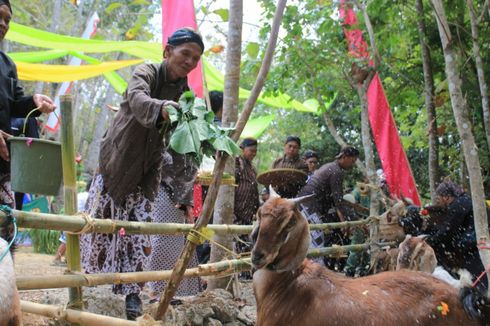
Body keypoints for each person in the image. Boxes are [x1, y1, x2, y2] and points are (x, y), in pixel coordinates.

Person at [80, 27, 204, 320]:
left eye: (195, 58)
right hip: (117, 161)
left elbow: (183, 145)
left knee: (137, 233)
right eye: (185, 53)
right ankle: (93, 286)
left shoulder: (187, 96)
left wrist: (185, 190)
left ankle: (132, 293)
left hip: (148, 170)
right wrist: (160, 107)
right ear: (167, 52)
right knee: (101, 227)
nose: (189, 61)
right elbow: (137, 98)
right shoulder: (146, 72)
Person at [0, 0, 56, 207]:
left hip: (2, 162)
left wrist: (34, 102)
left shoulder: (7, 65)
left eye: (7, 20)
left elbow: (15, 105)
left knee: (6, 226)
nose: (4, 24)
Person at [146, 149, 201, 300]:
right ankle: (158, 290)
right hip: (163, 188)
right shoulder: (167, 141)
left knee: (176, 241)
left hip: (180, 192)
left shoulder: (191, 150)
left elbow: (188, 169)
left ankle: (173, 291)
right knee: (162, 239)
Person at [297, 146, 360, 271]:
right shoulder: (336, 171)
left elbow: (335, 199)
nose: (353, 165)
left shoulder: (331, 167)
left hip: (308, 204)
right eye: (352, 161)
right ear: (345, 157)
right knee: (317, 240)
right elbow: (338, 201)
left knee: (315, 239)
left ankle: (313, 270)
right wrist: (355, 219)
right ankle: (313, 271)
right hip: (308, 204)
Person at [426, 181, 488, 294]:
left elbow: (447, 230)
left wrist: (429, 242)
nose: (439, 202)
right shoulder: (466, 200)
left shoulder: (459, 205)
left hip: (474, 247)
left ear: (446, 197)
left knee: (478, 284)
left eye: (439, 199)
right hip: (477, 243)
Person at [234, 138, 260, 279]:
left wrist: (257, 208)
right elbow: (230, 185)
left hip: (248, 212)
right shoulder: (237, 162)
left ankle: (245, 272)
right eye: (251, 151)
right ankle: (240, 273)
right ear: (243, 148)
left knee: (246, 242)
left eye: (255, 151)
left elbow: (254, 190)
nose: (253, 154)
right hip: (236, 211)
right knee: (239, 242)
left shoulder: (252, 168)